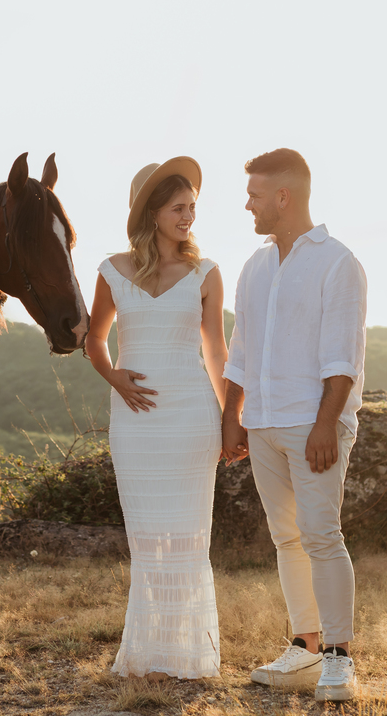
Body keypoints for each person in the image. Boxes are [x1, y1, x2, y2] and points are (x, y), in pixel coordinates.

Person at [221, 148, 367, 702]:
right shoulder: (255, 266)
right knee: (287, 538)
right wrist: (231, 417)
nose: (248, 204)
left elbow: (342, 358)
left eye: (255, 194)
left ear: (283, 197)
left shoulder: (337, 262)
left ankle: (338, 658)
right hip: (262, 423)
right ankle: (305, 648)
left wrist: (326, 424)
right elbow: (241, 349)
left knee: (322, 536)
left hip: (315, 424)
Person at [85, 156, 227, 680]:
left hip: (192, 415)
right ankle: (149, 654)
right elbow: (95, 339)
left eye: (192, 207)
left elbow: (217, 352)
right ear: (152, 212)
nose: (188, 216)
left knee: (189, 537)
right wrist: (114, 376)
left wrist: (230, 417)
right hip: (135, 421)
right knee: (148, 538)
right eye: (177, 208)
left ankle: (188, 655)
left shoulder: (206, 272)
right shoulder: (112, 270)